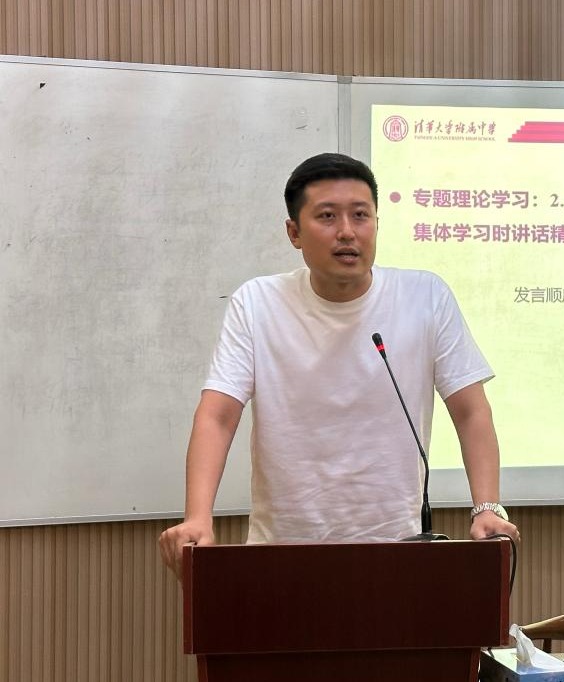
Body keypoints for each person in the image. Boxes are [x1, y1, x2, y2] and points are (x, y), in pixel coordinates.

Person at [158, 152, 519, 577]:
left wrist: (487, 506)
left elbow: (471, 410)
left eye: (360, 215)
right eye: (327, 216)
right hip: (283, 550)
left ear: (377, 224)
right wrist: (198, 517)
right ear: (294, 233)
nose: (347, 231)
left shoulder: (425, 297)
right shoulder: (257, 303)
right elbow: (218, 415)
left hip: (397, 548)